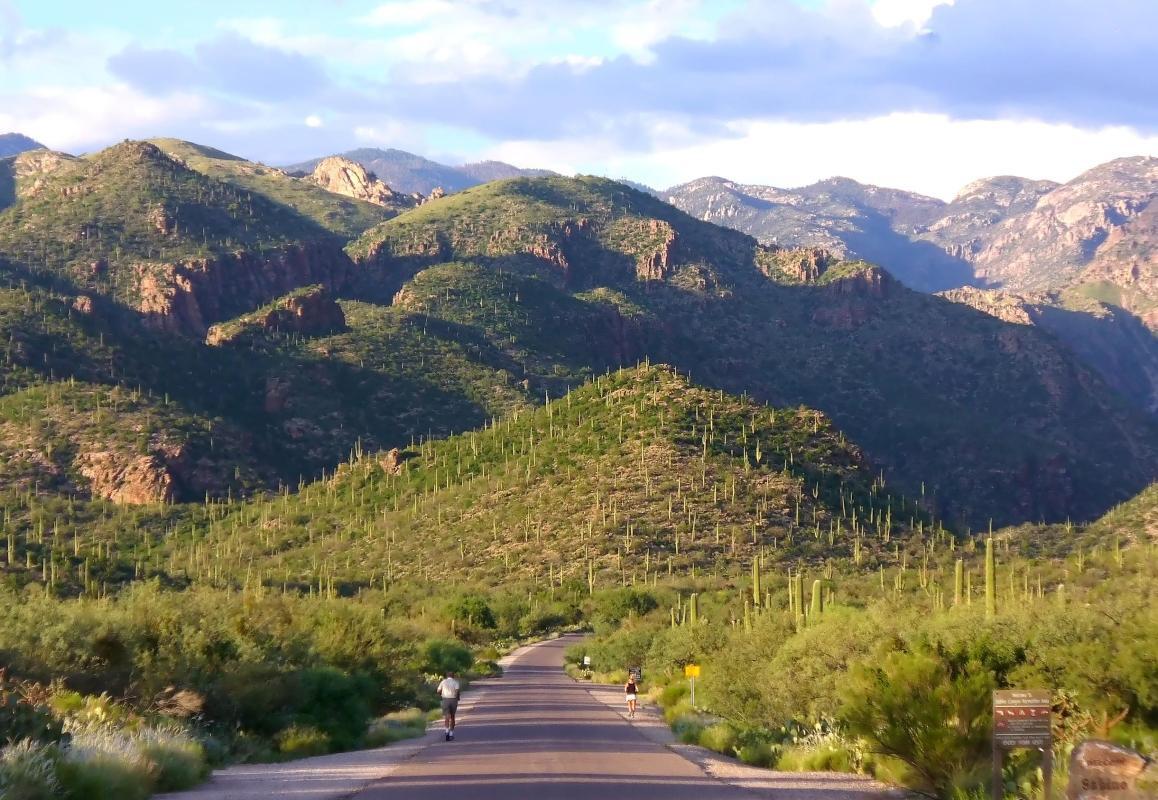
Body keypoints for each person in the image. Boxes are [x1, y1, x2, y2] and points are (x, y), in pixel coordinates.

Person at [437, 670, 461, 740]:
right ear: (453, 676)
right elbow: (457, 691)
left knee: (447, 716)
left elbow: (438, 691)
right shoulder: (455, 682)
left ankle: (446, 730)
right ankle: (451, 733)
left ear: (446, 676)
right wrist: (457, 698)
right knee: (453, 716)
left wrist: (441, 694)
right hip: (453, 700)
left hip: (445, 700)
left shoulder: (443, 682)